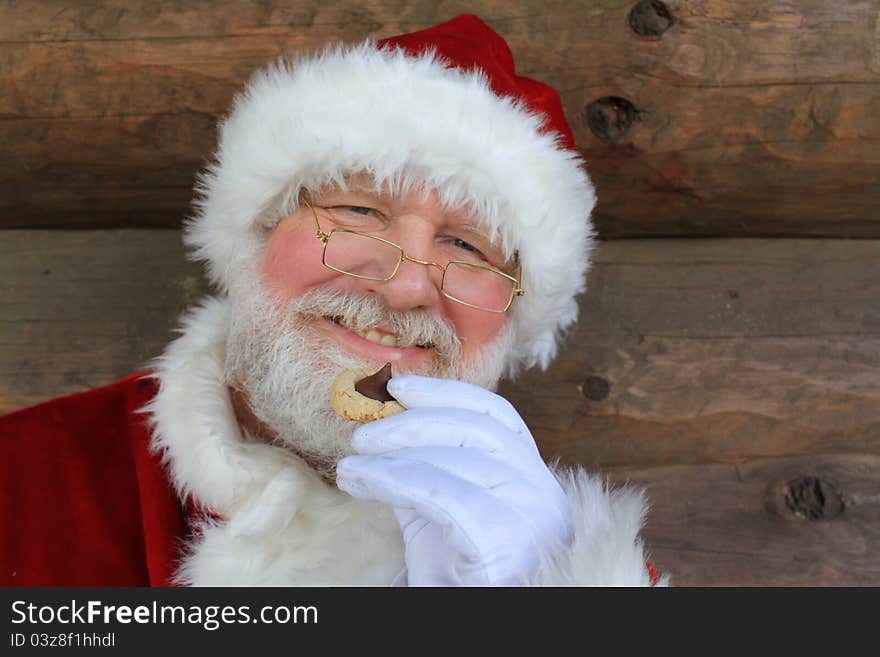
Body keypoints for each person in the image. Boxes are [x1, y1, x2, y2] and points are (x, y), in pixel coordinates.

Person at [0, 14, 665, 587]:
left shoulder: (550, 557)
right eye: (357, 209)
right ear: (257, 232)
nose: (405, 285)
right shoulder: (21, 482)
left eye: (468, 246)